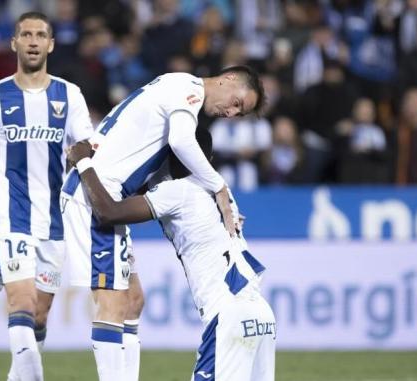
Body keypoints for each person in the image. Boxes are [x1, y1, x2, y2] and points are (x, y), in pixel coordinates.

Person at [60, 65, 264, 381]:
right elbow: (182, 141)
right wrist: (220, 186)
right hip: (93, 194)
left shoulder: (172, 91)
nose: (232, 113)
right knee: (112, 304)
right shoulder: (189, 89)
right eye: (238, 103)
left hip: (105, 190)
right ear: (228, 79)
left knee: (132, 302)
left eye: (240, 115)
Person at [0, 12, 93, 381]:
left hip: (55, 221)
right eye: (25, 34)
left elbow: (86, 149)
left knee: (40, 316)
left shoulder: (69, 95)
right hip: (10, 219)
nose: (32, 41)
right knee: (22, 303)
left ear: (51, 44)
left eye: (40, 35)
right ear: (14, 43)